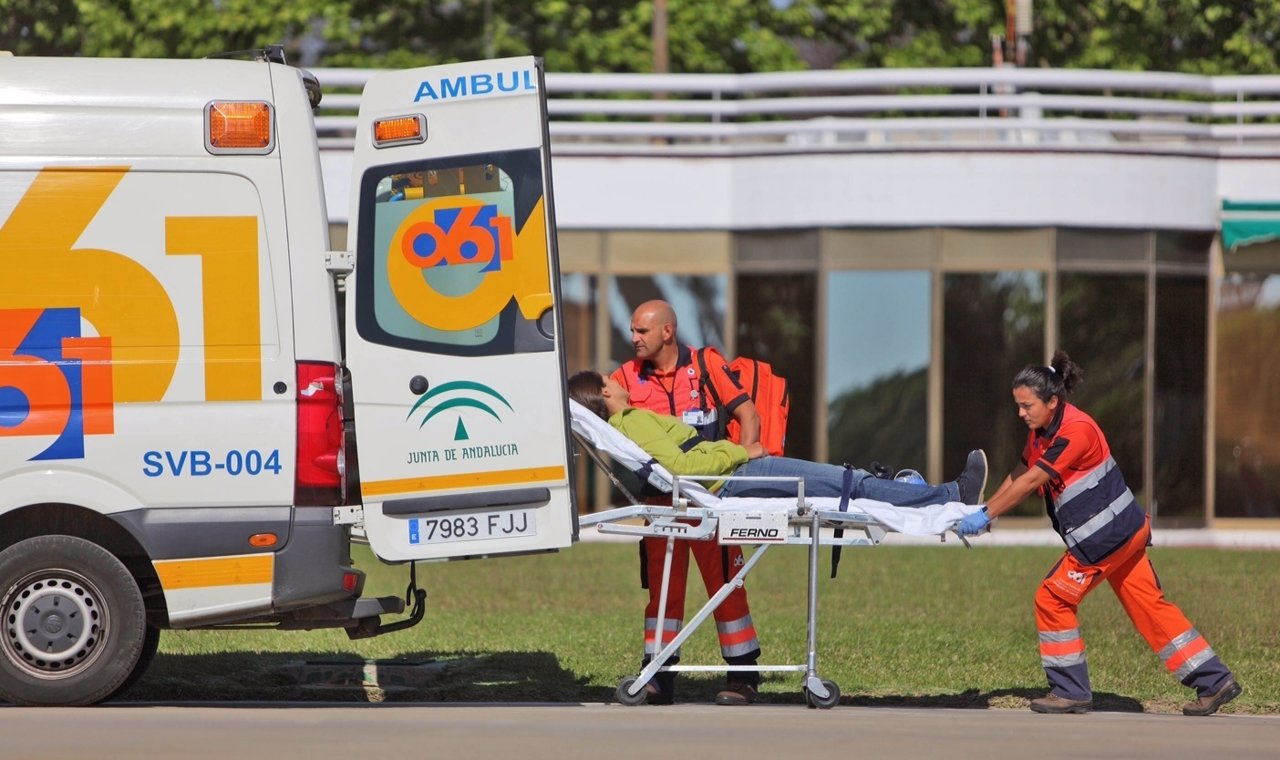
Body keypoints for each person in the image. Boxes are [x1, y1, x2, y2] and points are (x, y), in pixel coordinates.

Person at [957, 350, 1241, 716]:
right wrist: (984, 511)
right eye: (1018, 405)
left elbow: (1032, 481)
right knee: (1149, 607)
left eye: (1027, 406)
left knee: (1053, 599)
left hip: (1104, 539)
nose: (1021, 413)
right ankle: (1214, 681)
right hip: (1124, 533)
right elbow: (1020, 469)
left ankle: (1070, 691)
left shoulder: (1076, 430)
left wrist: (986, 514)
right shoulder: (1042, 432)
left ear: (1052, 401)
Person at [608, 299, 763, 706]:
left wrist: (743, 475)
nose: (634, 338)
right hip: (660, 506)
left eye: (641, 331)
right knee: (663, 594)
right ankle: (658, 676)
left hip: (711, 502)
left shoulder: (707, 366)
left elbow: (749, 415)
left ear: (667, 332)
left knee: (728, 586)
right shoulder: (624, 377)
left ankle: (744, 676)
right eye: (633, 331)